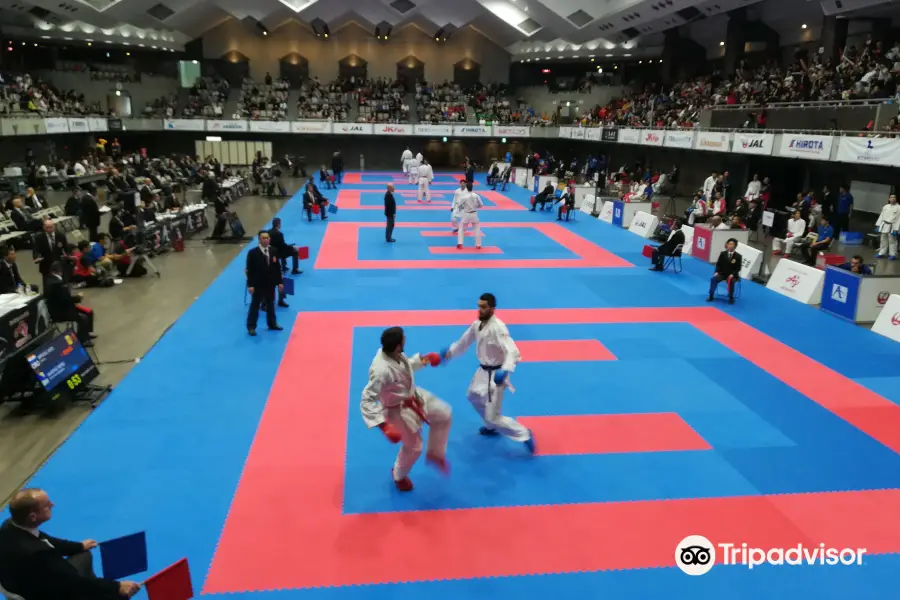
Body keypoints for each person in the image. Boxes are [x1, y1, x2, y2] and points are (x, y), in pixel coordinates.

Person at [0, 488, 142, 600]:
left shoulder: (9, 526)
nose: (52, 504)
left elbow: (48, 540)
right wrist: (116, 587)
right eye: (47, 505)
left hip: (24, 582)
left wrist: (79, 546)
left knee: (84, 555)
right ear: (33, 517)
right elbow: (74, 582)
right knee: (118, 595)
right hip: (48, 594)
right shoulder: (39, 554)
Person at [440, 293, 535, 453]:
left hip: (496, 375)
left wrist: (505, 370)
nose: (480, 309)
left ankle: (524, 434)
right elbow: (464, 343)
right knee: (472, 396)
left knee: (494, 416)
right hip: (482, 371)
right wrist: (449, 353)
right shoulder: (477, 324)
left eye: (484, 307)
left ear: (492, 309)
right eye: (479, 306)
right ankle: (492, 426)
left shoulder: (498, 328)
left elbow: (513, 352)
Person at [360, 326, 451, 492]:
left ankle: (435, 453)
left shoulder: (393, 354)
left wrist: (424, 360)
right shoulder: (380, 371)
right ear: (397, 346)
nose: (405, 339)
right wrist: (384, 426)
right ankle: (398, 475)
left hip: (412, 396)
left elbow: (404, 367)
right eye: (404, 338)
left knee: (444, 413)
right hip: (396, 410)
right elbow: (367, 399)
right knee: (414, 448)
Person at [44, 262, 95, 345]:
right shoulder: (57, 284)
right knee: (83, 317)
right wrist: (78, 297)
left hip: (65, 306)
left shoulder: (53, 280)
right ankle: (83, 340)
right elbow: (65, 299)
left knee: (89, 312)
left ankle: (87, 334)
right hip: (61, 311)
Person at [245, 231, 284, 336]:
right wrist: (250, 285)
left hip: (270, 283)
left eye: (267, 238)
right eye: (263, 238)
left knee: (271, 304)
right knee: (255, 305)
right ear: (259, 239)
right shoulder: (252, 253)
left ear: (269, 239)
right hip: (258, 284)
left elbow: (277, 268)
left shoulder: (273, 250)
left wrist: (280, 282)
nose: (266, 240)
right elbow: (250, 270)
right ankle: (251, 326)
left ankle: (272, 324)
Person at [707, 238, 742, 304]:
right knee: (713, 279)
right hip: (723, 274)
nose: (730, 245)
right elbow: (718, 264)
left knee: (731, 281)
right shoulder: (723, 254)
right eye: (729, 244)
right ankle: (711, 295)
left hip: (733, 275)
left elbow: (738, 268)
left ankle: (731, 297)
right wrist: (716, 272)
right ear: (727, 245)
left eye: (732, 244)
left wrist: (733, 274)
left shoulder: (738, 256)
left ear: (735, 246)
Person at [456, 182, 483, 249]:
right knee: (477, 229)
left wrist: (463, 207)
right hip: (474, 214)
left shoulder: (464, 197)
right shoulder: (476, 195)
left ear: (466, 188)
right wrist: (476, 206)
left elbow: (459, 205)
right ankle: (478, 245)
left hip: (466, 214)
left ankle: (460, 244)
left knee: (461, 229)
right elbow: (481, 205)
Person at [875, 193, 899, 260]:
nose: (893, 198)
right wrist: (878, 225)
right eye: (891, 197)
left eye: (894, 197)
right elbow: (881, 216)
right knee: (883, 239)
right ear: (889, 198)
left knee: (892, 240)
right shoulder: (885, 206)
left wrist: (896, 229)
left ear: (896, 199)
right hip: (884, 224)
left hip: (893, 226)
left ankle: (892, 254)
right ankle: (882, 253)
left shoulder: (898, 208)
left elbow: (899, 219)